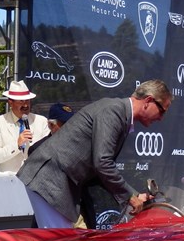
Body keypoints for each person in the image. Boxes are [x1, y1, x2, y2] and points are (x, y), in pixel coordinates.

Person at [17, 79, 172, 228]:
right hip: (50, 180)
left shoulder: (119, 114)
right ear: (148, 101)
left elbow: (100, 170)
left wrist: (133, 195)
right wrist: (130, 196)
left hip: (54, 181)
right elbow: (103, 163)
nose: (161, 118)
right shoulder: (114, 111)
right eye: (162, 110)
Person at [0, 80, 49, 173]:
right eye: (21, 101)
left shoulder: (41, 121)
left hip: (35, 181)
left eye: (27, 100)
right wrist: (17, 144)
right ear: (10, 102)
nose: (26, 105)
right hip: (9, 182)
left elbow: (48, 152)